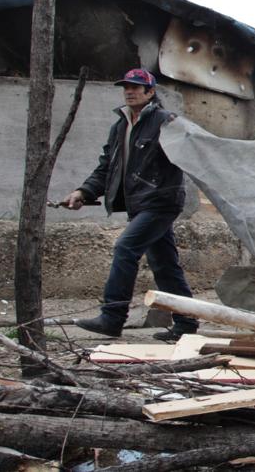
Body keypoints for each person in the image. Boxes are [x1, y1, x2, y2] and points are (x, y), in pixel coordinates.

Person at [62, 68, 199, 341]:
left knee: (125, 247)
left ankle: (112, 318)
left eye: (137, 87)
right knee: (165, 264)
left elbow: (189, 155)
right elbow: (107, 167)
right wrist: (83, 191)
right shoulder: (120, 125)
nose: (130, 91)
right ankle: (186, 324)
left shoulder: (165, 121)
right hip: (140, 205)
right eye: (126, 87)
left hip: (161, 201)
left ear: (150, 92)